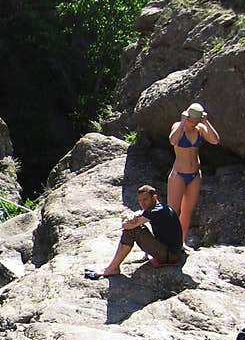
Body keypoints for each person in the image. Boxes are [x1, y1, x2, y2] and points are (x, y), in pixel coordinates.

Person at [93, 184, 182, 277]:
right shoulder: (159, 206)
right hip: (171, 251)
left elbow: (126, 226)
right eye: (140, 200)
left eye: (145, 199)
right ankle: (113, 267)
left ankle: (113, 268)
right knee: (136, 227)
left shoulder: (157, 211)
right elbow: (139, 213)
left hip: (169, 256)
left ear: (154, 197)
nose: (142, 203)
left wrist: (128, 219)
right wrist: (132, 216)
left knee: (132, 231)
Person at [167, 102, 220, 246]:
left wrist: (205, 122)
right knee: (171, 212)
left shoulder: (200, 128)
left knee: (187, 212)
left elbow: (215, 140)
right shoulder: (178, 126)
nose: (193, 124)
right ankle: (166, 243)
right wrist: (183, 121)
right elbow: (173, 140)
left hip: (195, 175)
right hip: (178, 174)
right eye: (191, 120)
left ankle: (181, 242)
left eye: (195, 121)